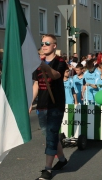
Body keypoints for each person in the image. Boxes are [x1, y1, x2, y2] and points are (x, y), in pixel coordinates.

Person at [31, 34, 68, 180]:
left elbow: (55, 76)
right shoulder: (37, 62)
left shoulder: (60, 61)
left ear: (54, 46)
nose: (44, 45)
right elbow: (36, 84)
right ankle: (63, 160)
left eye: (47, 43)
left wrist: (45, 66)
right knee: (49, 135)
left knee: (51, 135)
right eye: (42, 43)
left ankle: (47, 170)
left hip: (55, 104)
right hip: (41, 105)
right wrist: (31, 102)